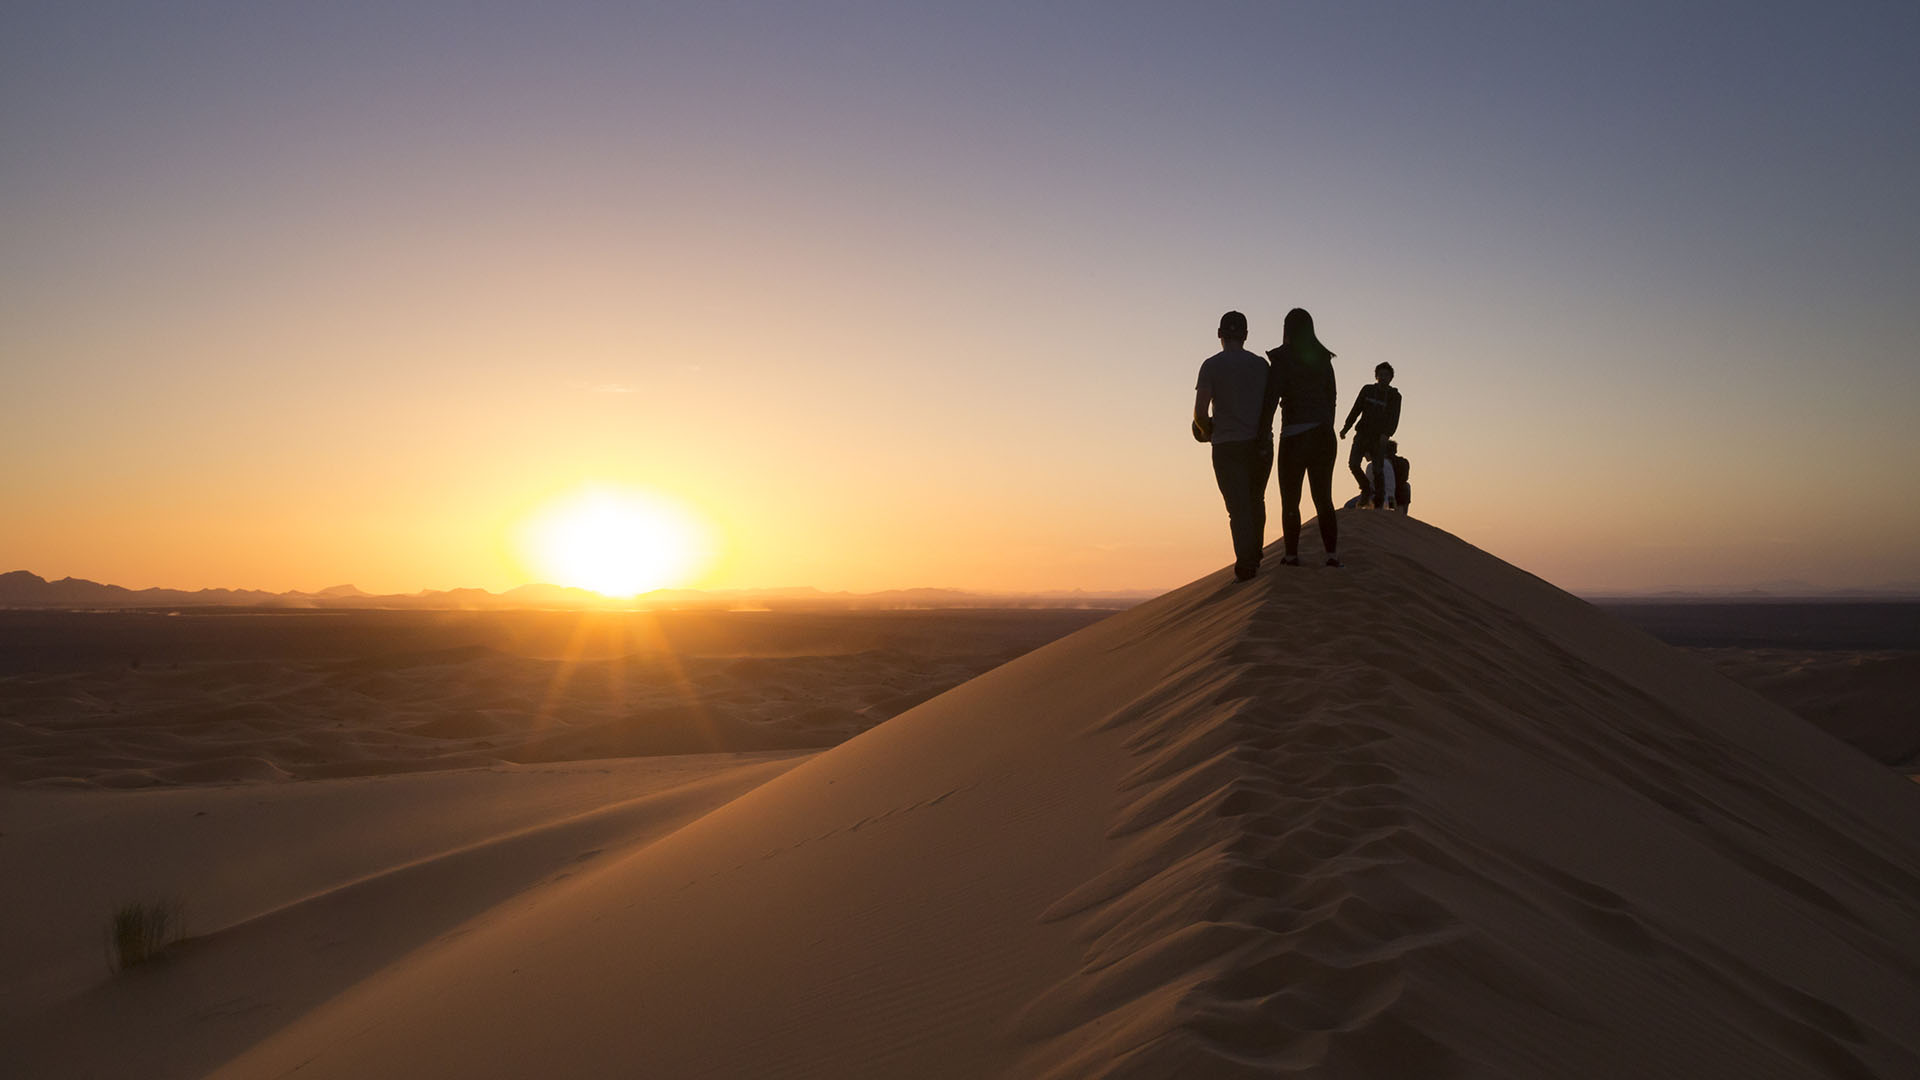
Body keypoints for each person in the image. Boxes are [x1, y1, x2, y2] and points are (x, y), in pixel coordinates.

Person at [1193, 311, 1274, 581]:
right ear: (1246, 335)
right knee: (1256, 500)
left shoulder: (1211, 366)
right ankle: (1255, 553)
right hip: (1259, 444)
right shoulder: (1261, 365)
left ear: (1219, 335)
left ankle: (1246, 562)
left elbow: (1200, 412)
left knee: (1237, 508)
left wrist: (1206, 433)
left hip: (1227, 445)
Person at [1263, 308, 1341, 567]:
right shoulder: (1323, 358)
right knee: (1324, 498)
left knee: (1290, 500)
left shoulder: (1282, 359)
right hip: (1323, 435)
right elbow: (1332, 397)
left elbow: (1271, 399)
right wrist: (1325, 424)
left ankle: (1291, 555)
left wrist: (1263, 433)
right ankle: (1331, 555)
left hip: (1295, 436)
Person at [1339, 362, 1401, 506]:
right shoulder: (1367, 390)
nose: (1383, 378)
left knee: (1377, 469)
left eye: (1386, 375)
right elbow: (1356, 409)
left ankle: (1378, 501)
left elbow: (1394, 417)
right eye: (1380, 375)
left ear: (1391, 378)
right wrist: (1346, 428)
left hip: (1378, 437)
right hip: (1362, 434)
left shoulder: (1394, 396)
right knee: (1353, 464)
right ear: (1376, 376)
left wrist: (1387, 434)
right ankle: (1366, 488)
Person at [1366, 439, 1411, 513]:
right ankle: (1403, 515)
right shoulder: (1403, 462)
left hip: (1388, 496)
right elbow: (1405, 478)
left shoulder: (1382, 463)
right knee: (1406, 486)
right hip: (1399, 494)